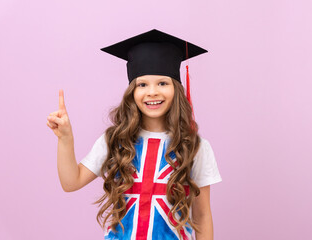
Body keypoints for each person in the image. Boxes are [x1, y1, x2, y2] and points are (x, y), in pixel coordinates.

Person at [46, 29, 222, 240]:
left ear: (176, 88)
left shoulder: (195, 147)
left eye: (162, 83)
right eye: (142, 85)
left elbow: (202, 215)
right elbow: (71, 182)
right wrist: (65, 138)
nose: (152, 92)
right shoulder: (114, 141)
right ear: (132, 91)